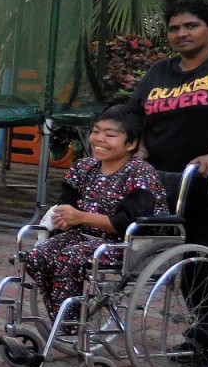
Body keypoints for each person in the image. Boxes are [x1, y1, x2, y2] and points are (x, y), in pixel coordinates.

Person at [129, 0, 208, 367]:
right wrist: (139, 148)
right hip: (162, 182)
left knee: (204, 263)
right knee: (182, 264)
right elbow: (134, 117)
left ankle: (206, 343)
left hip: (203, 183)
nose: (182, 33)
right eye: (175, 28)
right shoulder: (159, 72)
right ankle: (202, 336)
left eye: (191, 25)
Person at [24, 105, 167, 322]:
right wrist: (64, 219)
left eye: (110, 135)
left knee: (68, 258)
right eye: (96, 131)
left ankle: (70, 322)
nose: (99, 138)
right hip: (85, 236)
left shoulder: (140, 174)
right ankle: (66, 316)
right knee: (36, 257)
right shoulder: (83, 168)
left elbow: (128, 223)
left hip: (127, 244)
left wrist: (81, 217)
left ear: (131, 144)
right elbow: (67, 204)